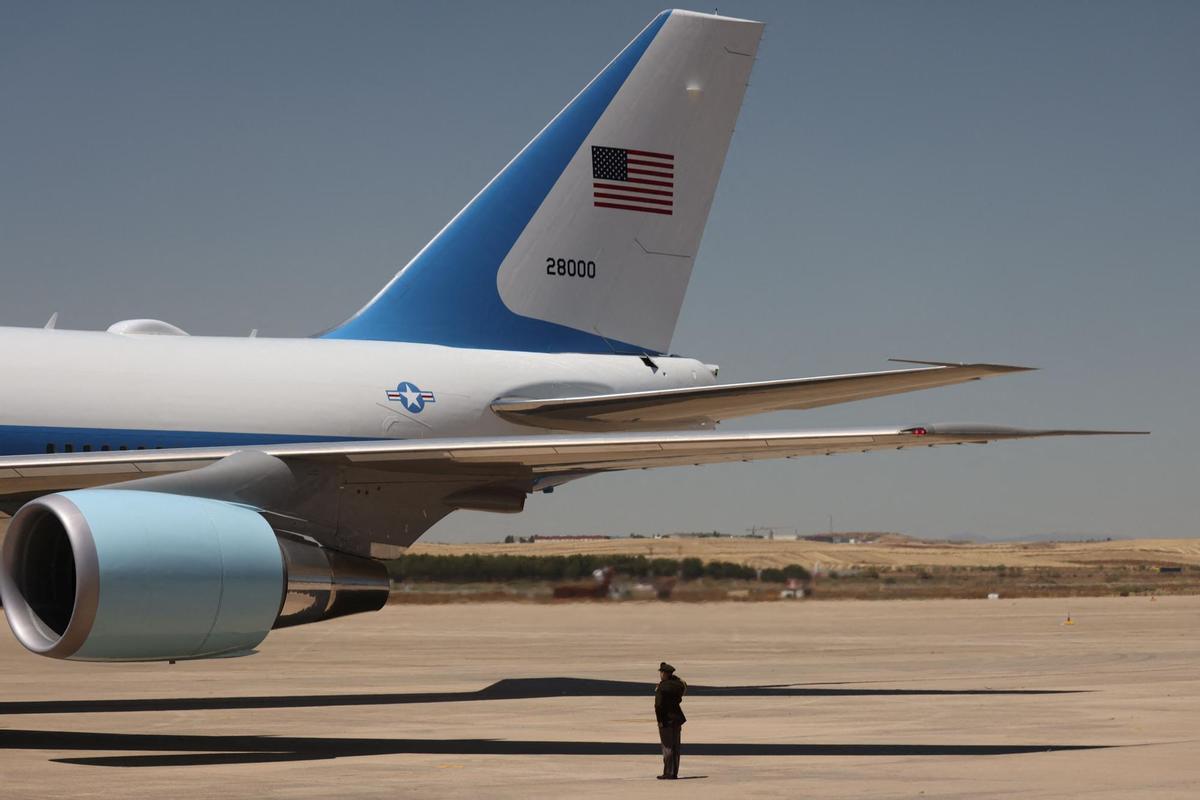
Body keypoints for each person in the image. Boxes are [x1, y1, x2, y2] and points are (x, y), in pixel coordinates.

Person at [654, 661, 687, 779]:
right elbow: (684, 685)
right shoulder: (677, 685)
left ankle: (668, 772)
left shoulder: (661, 687)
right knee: (676, 746)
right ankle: (674, 772)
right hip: (677, 719)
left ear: (663, 673)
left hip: (666, 720)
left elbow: (658, 705)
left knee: (667, 747)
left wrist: (660, 721)